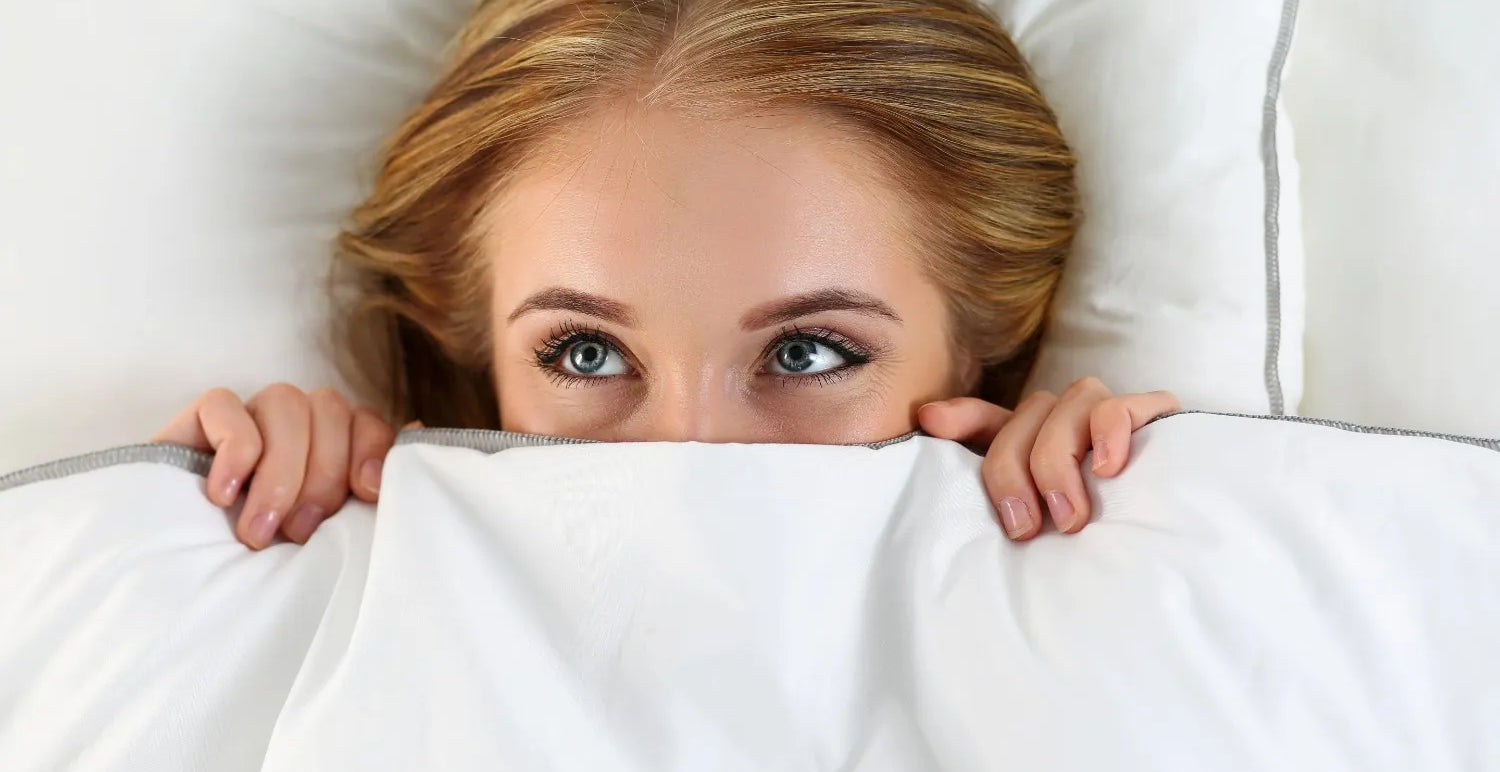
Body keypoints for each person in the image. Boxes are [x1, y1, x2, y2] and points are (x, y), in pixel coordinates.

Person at [153, 0, 1179, 551]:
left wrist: (1111, 546)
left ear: (980, 355)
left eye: (807, 350)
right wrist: (205, 555)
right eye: (585, 352)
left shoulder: (1129, 578)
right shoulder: (356, 565)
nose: (685, 458)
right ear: (473, 352)